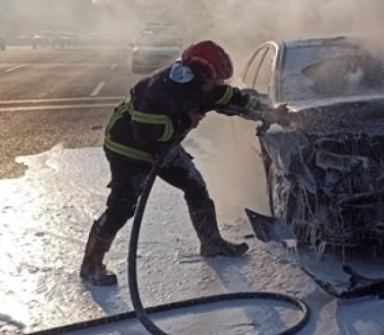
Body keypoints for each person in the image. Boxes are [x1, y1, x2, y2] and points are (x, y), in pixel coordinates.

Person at [80, 39, 290, 286]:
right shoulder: (157, 92)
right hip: (129, 149)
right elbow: (144, 134)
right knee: (122, 207)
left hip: (166, 145)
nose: (218, 86)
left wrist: (269, 112)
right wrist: (184, 122)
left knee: (195, 187)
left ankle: (212, 243)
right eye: (215, 81)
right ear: (198, 77)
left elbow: (233, 99)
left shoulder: (202, 87)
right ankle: (91, 265)